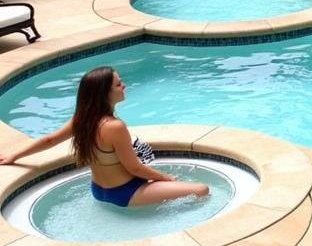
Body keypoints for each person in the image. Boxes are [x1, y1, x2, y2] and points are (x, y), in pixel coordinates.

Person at [0, 66, 209, 207]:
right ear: (105, 94)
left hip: (98, 190)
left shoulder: (81, 118)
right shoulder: (115, 127)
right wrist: (165, 177)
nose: (124, 86)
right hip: (125, 193)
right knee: (201, 189)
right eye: (118, 84)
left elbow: (50, 140)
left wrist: (14, 156)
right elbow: (134, 167)